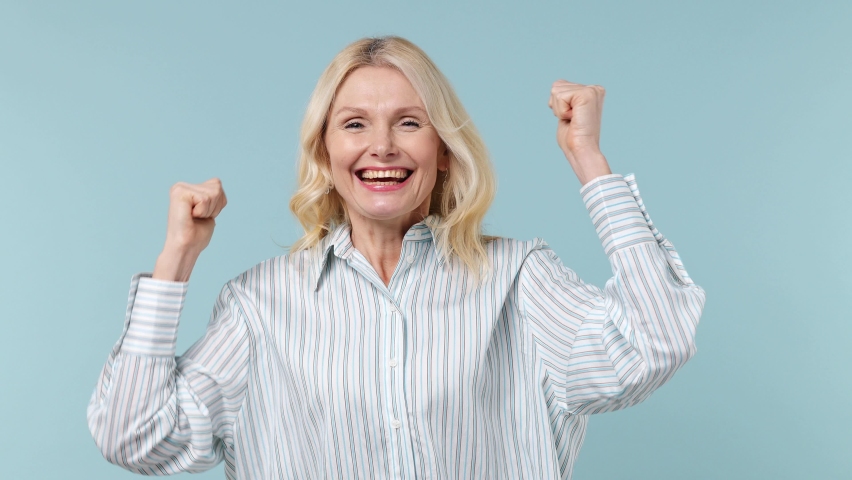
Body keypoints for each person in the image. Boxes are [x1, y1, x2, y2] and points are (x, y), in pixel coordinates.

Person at [88, 36, 705, 480]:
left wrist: (588, 161)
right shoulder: (259, 304)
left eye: (409, 122)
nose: (381, 146)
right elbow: (137, 439)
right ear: (325, 154)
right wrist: (176, 261)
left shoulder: (519, 279)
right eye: (354, 124)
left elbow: (655, 342)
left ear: (443, 150)